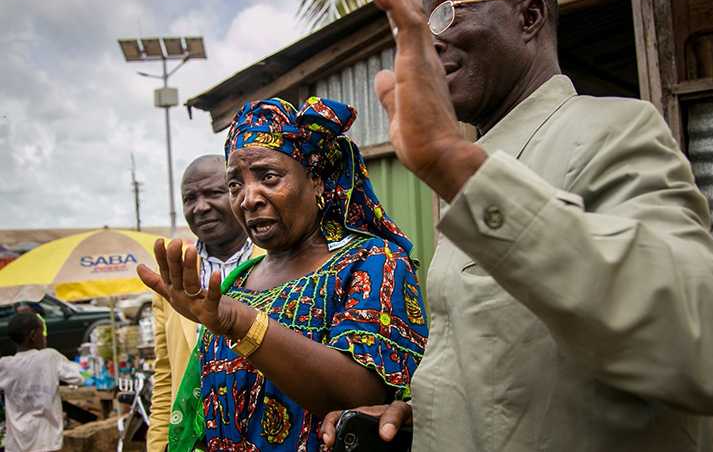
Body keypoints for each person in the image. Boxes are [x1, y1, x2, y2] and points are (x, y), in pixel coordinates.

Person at [320, 0, 713, 451]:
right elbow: (514, 373)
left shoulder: (611, 131)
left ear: (529, 17)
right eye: (422, 24)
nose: (430, 39)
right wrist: (428, 414)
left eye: (448, 12)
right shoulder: (479, 167)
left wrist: (456, 166)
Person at [137, 97, 428, 451]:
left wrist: (240, 323)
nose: (248, 198)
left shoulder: (371, 263)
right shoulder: (237, 284)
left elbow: (363, 394)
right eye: (235, 185)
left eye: (268, 177)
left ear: (316, 181)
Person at [148, 154, 264, 452]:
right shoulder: (173, 277)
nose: (200, 207)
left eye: (213, 193)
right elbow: (165, 377)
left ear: (237, 193)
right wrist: (159, 445)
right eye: (190, 198)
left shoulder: (273, 264)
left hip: (265, 434)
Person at [0, 312, 83, 452]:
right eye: (42, 331)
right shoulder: (49, 357)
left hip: (15, 446)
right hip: (45, 443)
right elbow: (80, 377)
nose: (45, 335)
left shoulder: (4, 365)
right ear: (33, 335)